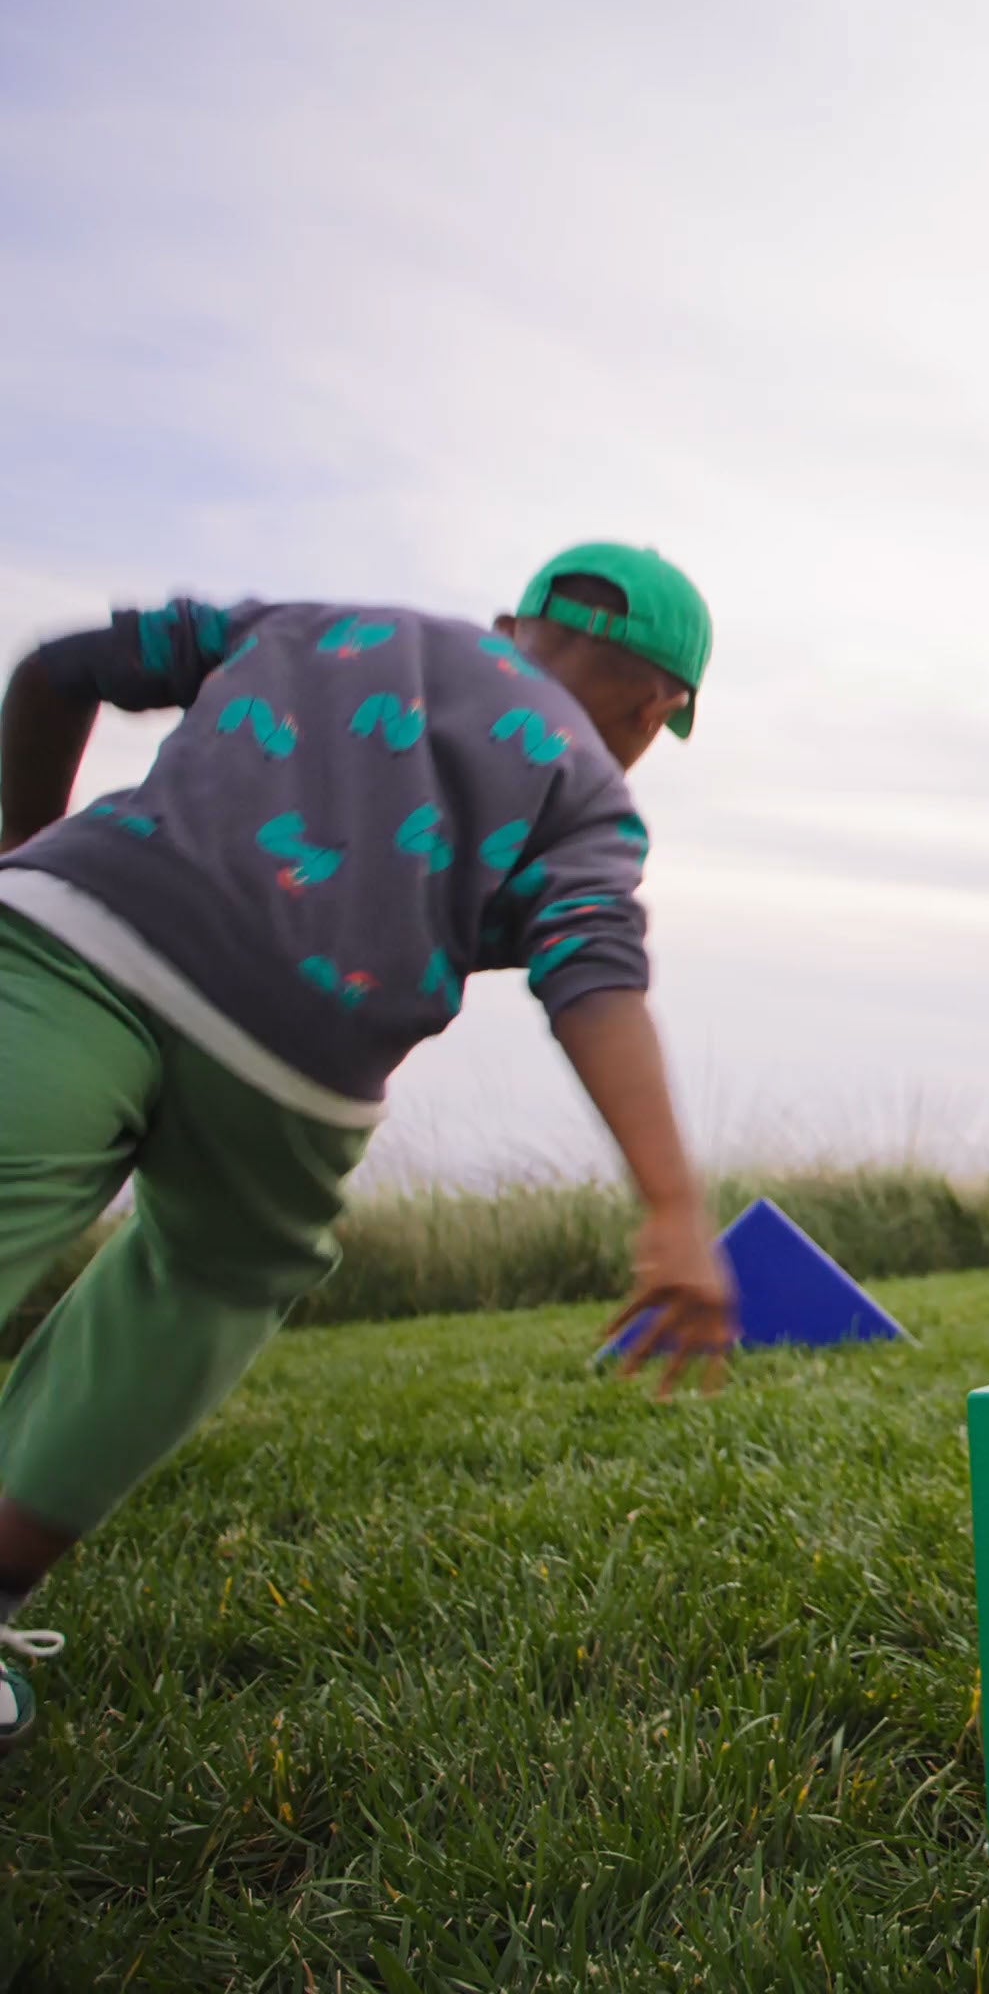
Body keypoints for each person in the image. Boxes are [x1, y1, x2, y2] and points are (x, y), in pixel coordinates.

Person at [0, 542, 736, 1750]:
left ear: (514, 621)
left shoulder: (322, 623)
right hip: (286, 1053)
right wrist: (670, 1202)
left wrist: (27, 848)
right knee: (219, 1271)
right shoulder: (584, 784)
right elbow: (593, 969)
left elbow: (62, 666)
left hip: (69, 935)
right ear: (659, 704)